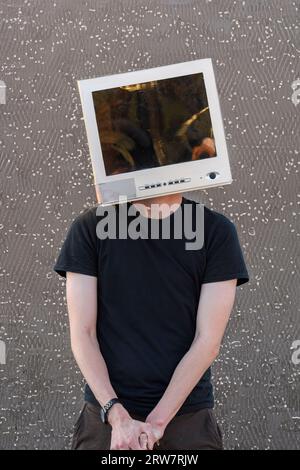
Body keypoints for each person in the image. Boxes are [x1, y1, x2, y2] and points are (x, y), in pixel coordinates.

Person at [54, 193, 250, 450]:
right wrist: (117, 415)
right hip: (107, 420)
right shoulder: (90, 228)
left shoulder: (215, 230)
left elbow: (208, 341)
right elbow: (83, 334)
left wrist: (157, 422)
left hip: (187, 420)